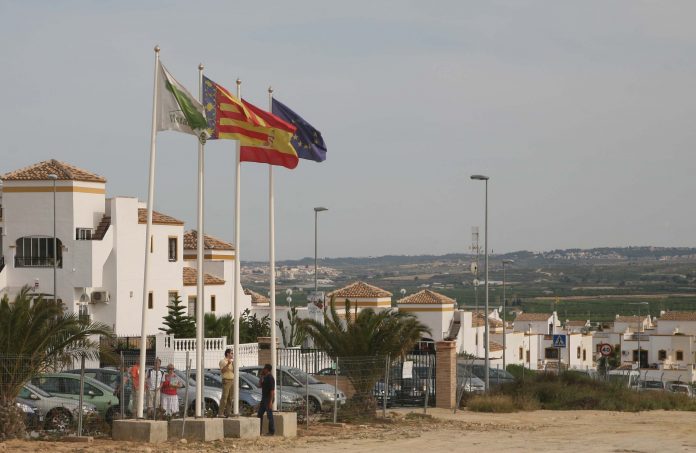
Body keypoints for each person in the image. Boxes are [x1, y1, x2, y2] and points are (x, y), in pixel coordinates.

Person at [257, 364, 275, 436]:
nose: (263, 370)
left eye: (264, 368)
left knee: (269, 415)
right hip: (264, 398)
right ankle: (259, 431)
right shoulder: (265, 377)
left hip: (268, 399)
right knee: (259, 414)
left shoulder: (270, 378)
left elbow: (272, 391)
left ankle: (271, 431)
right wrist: (261, 377)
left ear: (267, 369)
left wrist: (270, 402)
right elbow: (260, 385)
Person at [218, 348, 235, 417]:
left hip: (231, 380)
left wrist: (232, 364)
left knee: (230, 398)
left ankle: (228, 412)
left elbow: (232, 371)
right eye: (231, 353)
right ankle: (220, 413)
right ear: (227, 354)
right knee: (224, 397)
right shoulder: (223, 361)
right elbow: (223, 371)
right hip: (226, 380)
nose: (232, 354)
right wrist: (228, 364)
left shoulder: (231, 362)